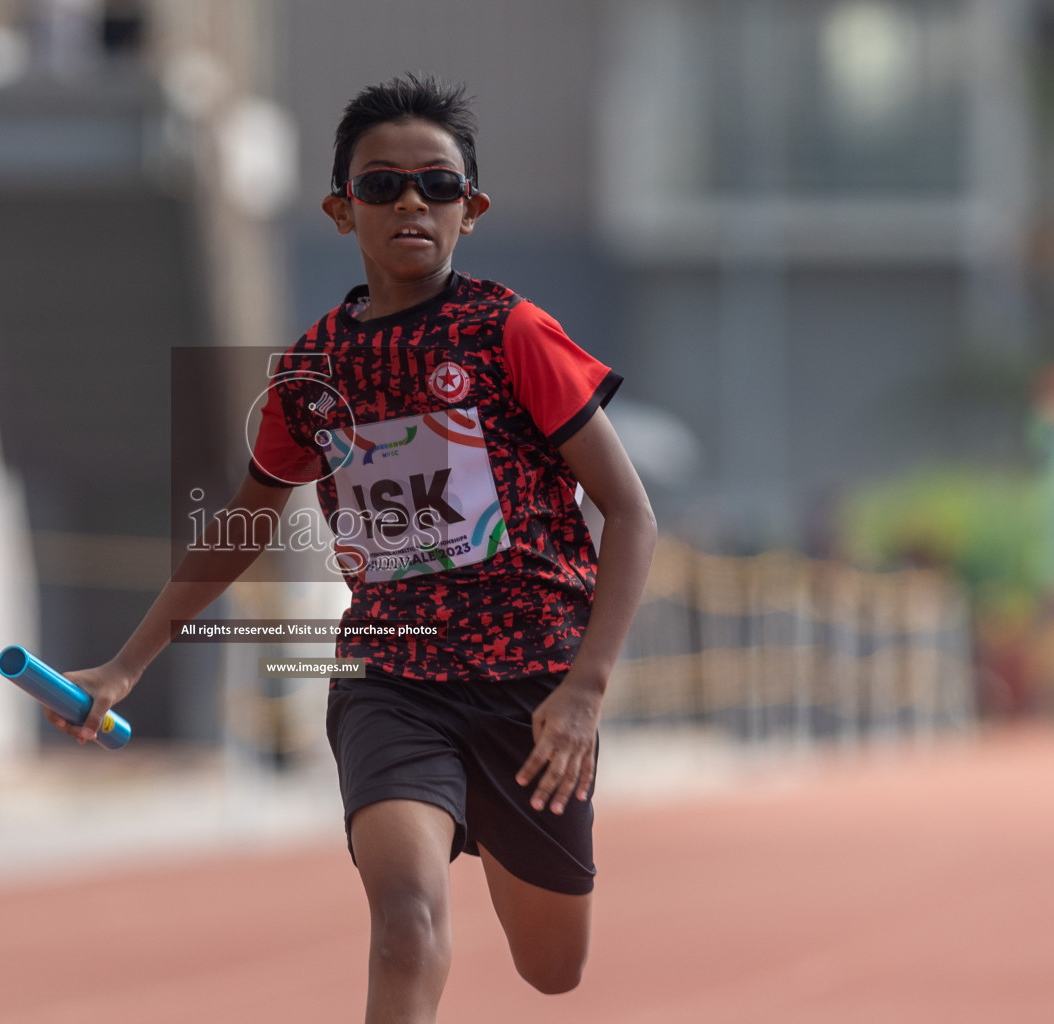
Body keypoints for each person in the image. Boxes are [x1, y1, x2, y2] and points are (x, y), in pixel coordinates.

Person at [50, 73, 657, 1022]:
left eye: (437, 186)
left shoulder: (511, 333)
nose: (410, 202)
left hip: (531, 689)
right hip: (391, 682)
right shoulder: (312, 368)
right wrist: (127, 666)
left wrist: (583, 689)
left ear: (472, 209)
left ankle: (494, 818)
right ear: (342, 210)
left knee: (551, 969)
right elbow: (244, 522)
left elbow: (630, 511)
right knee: (405, 918)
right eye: (381, 186)